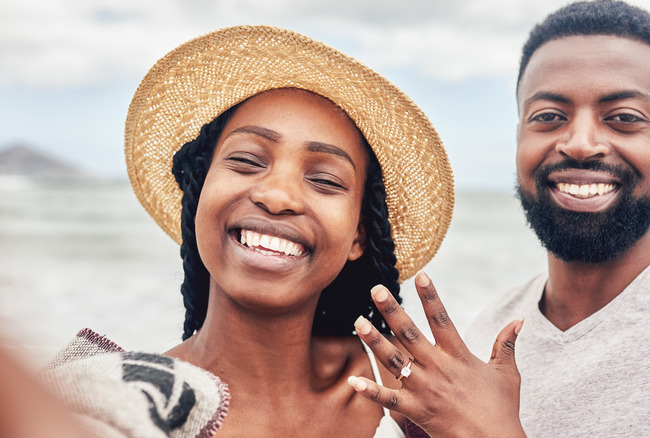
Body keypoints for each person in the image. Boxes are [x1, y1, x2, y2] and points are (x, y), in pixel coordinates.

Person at [347, 1, 650, 437]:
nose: (580, 143)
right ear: (520, 136)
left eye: (624, 118)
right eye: (549, 117)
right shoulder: (479, 348)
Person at [35, 25, 454, 437]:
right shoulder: (105, 402)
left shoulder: (414, 395)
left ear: (359, 237)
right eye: (247, 160)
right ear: (198, 196)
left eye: (326, 180)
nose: (276, 196)